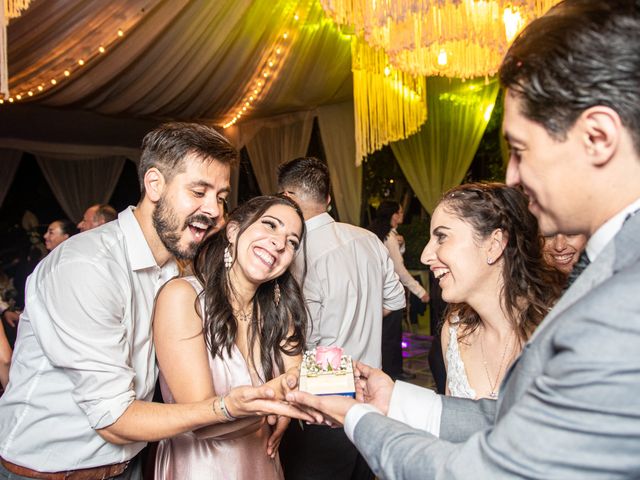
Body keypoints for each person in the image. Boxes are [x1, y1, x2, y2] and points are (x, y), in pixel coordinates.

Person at [285, 1, 640, 477]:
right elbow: (521, 425)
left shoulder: (625, 302)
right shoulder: (612, 266)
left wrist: (356, 416)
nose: (512, 176)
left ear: (598, 137)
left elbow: (492, 468)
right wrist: (396, 397)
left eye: (519, 150)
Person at [0, 123, 309, 479]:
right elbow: (113, 419)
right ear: (154, 184)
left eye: (221, 198)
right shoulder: (88, 266)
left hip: (127, 466)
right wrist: (230, 407)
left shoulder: (178, 268)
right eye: (198, 191)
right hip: (47, 471)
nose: (215, 212)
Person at [153, 195, 307, 479]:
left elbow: (297, 371)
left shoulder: (277, 310)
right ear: (234, 231)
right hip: (201, 467)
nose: (280, 243)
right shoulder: (184, 298)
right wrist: (282, 399)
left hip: (263, 461)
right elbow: (203, 423)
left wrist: (288, 403)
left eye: (293, 241)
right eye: (271, 225)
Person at [276, 157, 405, 480]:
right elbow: (395, 300)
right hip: (370, 398)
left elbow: (302, 339)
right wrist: (359, 317)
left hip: (322, 406)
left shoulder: (296, 253)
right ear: (329, 200)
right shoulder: (368, 239)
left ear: (288, 199)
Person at [424, 183, 562, 399]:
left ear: (494, 245)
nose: (425, 256)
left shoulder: (560, 330)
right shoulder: (454, 331)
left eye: (441, 237)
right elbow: (453, 423)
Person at [369, 200, 428, 381]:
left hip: (377, 292)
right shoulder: (389, 237)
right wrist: (420, 291)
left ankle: (388, 372)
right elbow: (399, 270)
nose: (402, 215)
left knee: (385, 336)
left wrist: (400, 244)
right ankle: (393, 374)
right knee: (392, 337)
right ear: (393, 215)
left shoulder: (378, 234)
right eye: (400, 212)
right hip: (390, 292)